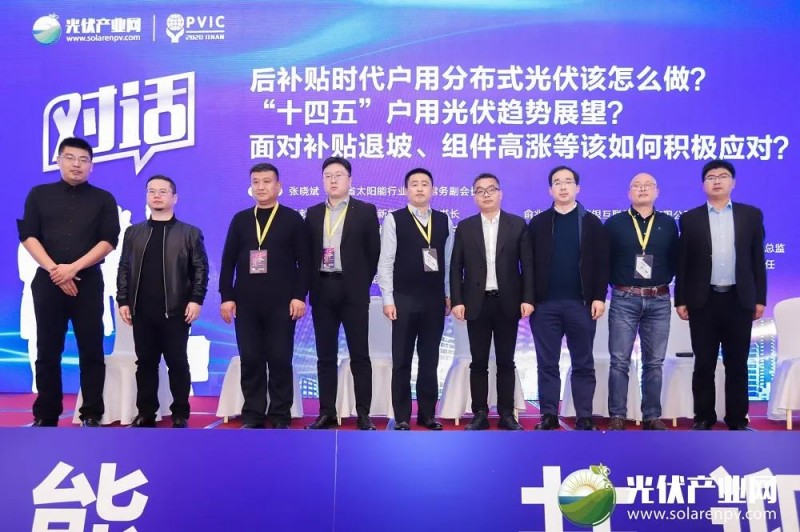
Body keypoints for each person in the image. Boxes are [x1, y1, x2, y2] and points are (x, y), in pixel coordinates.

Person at [17, 136, 120, 427]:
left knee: (92, 349)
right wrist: (56, 271)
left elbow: (109, 240)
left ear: (91, 166)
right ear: (59, 160)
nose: (77, 164)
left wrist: (72, 268)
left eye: (84, 160)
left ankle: (92, 412)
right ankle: (46, 413)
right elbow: (28, 235)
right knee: (47, 349)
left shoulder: (104, 199)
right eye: (70, 158)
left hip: (88, 281)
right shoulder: (39, 194)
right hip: (48, 281)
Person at [675, 160, 766, 431]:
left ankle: (737, 419)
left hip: (739, 299)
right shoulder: (690, 219)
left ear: (732, 183)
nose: (717, 181)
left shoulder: (751, 215)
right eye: (711, 177)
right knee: (704, 363)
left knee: (737, 363)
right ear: (703, 184)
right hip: (703, 301)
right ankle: (704, 417)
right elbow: (683, 263)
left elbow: (757, 260)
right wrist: (681, 299)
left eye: (723, 176)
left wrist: (759, 298)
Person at [219, 163, 310, 429]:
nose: (261, 187)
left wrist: (299, 296)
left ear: (278, 186)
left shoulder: (293, 219)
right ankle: (253, 415)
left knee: (280, 358)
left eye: (267, 181)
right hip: (246, 303)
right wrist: (227, 296)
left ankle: (280, 414)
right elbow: (228, 261)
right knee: (250, 359)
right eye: (256, 182)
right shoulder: (240, 219)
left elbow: (305, 263)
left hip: (282, 303)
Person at [116, 175, 209, 428]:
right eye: (151, 191)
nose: (156, 196)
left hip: (176, 310)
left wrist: (196, 299)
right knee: (145, 363)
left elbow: (200, 270)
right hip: (142, 310)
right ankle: (146, 412)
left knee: (177, 363)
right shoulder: (134, 233)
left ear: (174, 197)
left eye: (163, 191)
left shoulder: (189, 233)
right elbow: (124, 267)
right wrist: (123, 300)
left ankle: (180, 413)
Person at [450, 173, 534, 431]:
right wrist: (457, 300)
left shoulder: (517, 224)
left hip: (508, 302)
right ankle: (480, 413)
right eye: (480, 190)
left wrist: (528, 298)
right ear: (474, 197)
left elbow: (528, 266)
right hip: (476, 303)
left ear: (500, 194)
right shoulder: (465, 227)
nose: (486, 194)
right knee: (478, 362)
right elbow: (455, 267)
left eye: (491, 189)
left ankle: (507, 413)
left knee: (506, 361)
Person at [529, 165, 608, 431]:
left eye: (568, 182)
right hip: (545, 306)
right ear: (550, 190)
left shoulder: (592, 223)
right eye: (557, 182)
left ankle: (584, 415)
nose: (563, 187)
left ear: (577, 188)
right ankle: (548, 414)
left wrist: (599, 297)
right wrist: (529, 299)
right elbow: (527, 265)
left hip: (581, 305)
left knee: (583, 363)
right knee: (547, 363)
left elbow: (601, 264)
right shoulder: (538, 223)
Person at [305, 157, 380, 431]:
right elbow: (307, 254)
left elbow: (374, 252)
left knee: (360, 354)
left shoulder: (365, 211)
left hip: (353, 292)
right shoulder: (313, 213)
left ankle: (363, 414)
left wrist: (359, 282)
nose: (333, 180)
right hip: (322, 289)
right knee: (325, 356)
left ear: (349, 179)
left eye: (338, 175)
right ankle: (326, 412)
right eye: (328, 175)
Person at [378, 168, 454, 430]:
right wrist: (388, 299)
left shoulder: (444, 221)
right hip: (403, 299)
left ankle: (427, 414)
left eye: (425, 184)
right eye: (414, 184)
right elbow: (385, 262)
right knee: (401, 360)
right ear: (405, 190)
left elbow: (449, 263)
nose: (420, 188)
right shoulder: (394, 219)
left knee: (430, 360)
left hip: (434, 300)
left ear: (433, 189)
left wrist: (448, 294)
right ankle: (401, 416)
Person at [604, 173, 678, 430]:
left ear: (657, 191)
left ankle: (652, 416)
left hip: (659, 299)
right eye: (636, 185)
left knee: (654, 362)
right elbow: (604, 262)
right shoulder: (614, 224)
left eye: (648, 186)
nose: (642, 189)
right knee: (619, 361)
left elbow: (676, 259)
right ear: (629, 193)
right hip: (624, 298)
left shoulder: (668, 224)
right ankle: (617, 415)